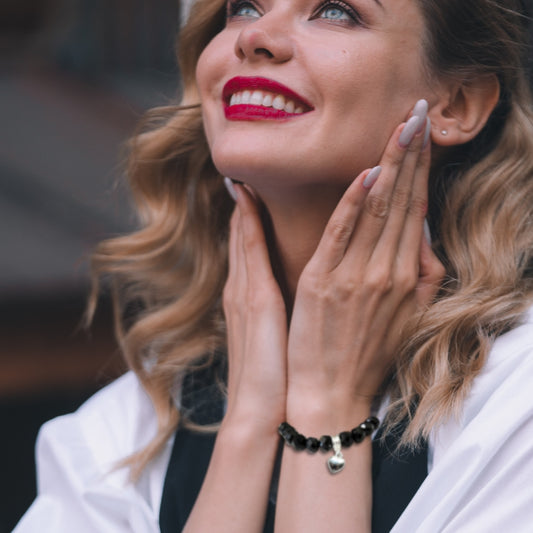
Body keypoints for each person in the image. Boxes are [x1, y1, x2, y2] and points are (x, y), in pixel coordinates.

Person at [14, 0, 533, 531]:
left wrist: (331, 404)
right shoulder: (124, 432)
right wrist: (247, 422)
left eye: (335, 11)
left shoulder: (516, 400)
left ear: (458, 103)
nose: (255, 37)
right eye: (242, 8)